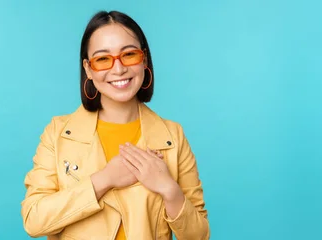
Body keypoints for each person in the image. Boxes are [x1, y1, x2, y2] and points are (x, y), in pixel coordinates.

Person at [21, 10, 210, 240]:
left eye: (129, 54)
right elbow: (34, 220)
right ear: (88, 69)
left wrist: (169, 190)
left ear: (144, 59)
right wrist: (105, 180)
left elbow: (199, 235)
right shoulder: (58, 133)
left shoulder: (173, 136)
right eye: (103, 59)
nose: (118, 69)